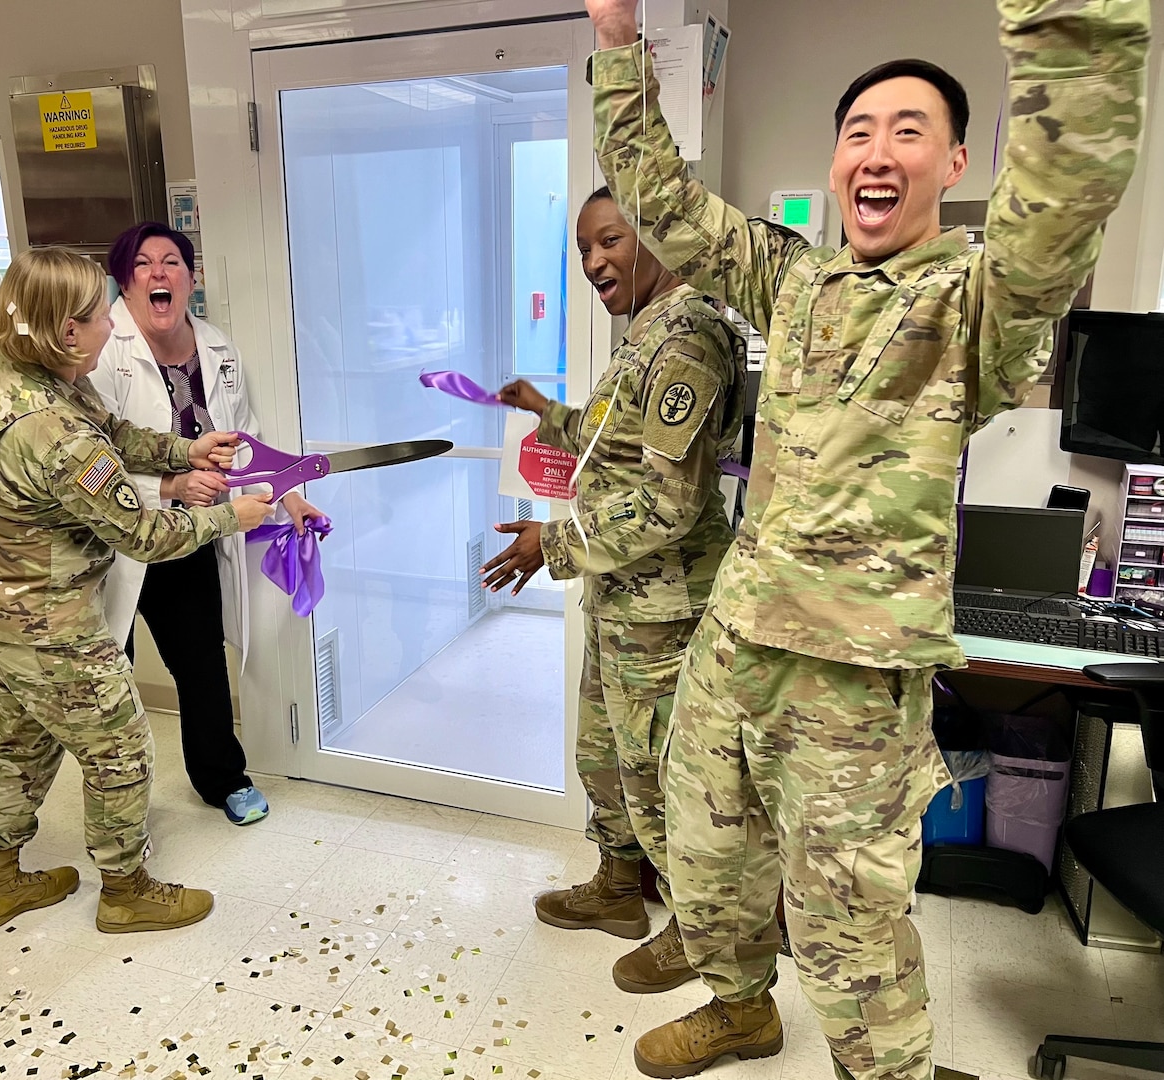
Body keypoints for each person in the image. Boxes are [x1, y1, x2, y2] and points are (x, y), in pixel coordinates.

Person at [582, 1, 1149, 1077]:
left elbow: (1064, 191)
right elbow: (660, 202)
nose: (876, 153)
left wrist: (1063, 16)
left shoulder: (975, 304)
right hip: (736, 643)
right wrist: (617, 44)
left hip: (853, 679)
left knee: (849, 923)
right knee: (705, 860)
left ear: (953, 160)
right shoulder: (792, 279)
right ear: (834, 162)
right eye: (857, 132)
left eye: (906, 131)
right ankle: (740, 1007)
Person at [0, 246, 276, 937]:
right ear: (67, 330)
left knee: (27, 742)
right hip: (43, 619)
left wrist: (183, 450)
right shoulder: (54, 433)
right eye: (101, 316)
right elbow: (143, 536)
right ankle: (126, 890)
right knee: (120, 748)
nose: (111, 327)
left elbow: (111, 428)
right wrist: (230, 516)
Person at [483, 185, 745, 995]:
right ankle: (618, 887)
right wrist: (545, 413)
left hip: (665, 609)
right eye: (583, 248)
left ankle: (696, 934)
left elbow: (671, 500)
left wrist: (548, 542)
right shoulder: (644, 334)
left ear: (658, 236)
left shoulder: (689, 338)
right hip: (620, 595)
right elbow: (617, 441)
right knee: (604, 754)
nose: (595, 261)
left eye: (610, 241)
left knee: (660, 771)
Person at [89, 222, 322, 827]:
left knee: (201, 664)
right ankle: (114, 804)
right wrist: (169, 484)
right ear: (125, 281)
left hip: (186, 537)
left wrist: (288, 496)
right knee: (103, 676)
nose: (159, 273)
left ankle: (222, 778)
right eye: (143, 264)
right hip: (108, 542)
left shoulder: (216, 347)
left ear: (190, 278)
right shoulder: (102, 349)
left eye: (172, 261)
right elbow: (90, 458)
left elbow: (245, 444)